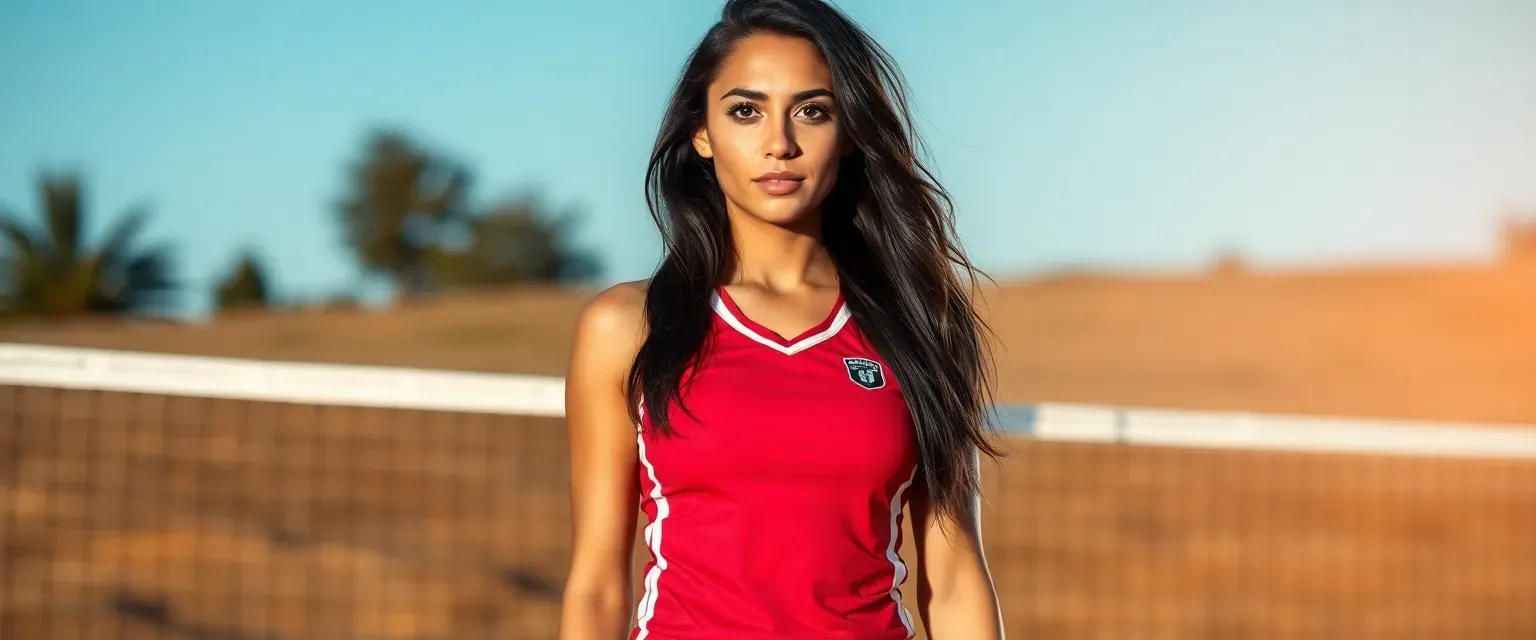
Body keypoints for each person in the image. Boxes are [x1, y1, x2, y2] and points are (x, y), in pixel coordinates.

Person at [559, 0, 1006, 637]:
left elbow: (957, 576)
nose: (779, 143)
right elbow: (597, 582)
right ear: (702, 133)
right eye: (746, 110)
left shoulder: (919, 325)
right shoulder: (628, 326)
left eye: (813, 111)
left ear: (849, 132)